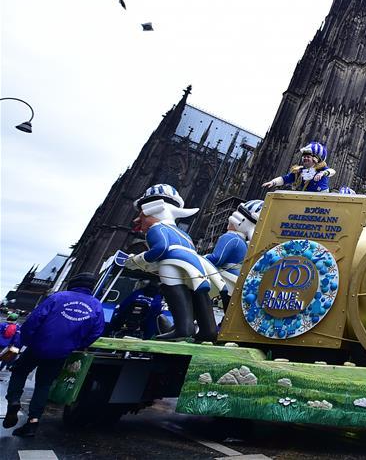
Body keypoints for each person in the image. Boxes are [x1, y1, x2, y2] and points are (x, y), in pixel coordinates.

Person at [3, 272, 104, 437]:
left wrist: (24, 341)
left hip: (37, 346)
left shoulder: (58, 297)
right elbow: (96, 331)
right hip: (61, 352)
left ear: (73, 283)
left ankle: (14, 400)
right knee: (44, 385)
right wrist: (77, 345)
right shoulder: (96, 305)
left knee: (19, 372)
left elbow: (34, 320)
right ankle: (33, 423)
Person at [125, 184, 224, 342]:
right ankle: (208, 329)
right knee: (197, 292)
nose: (138, 220)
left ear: (153, 210)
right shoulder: (183, 234)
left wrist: (139, 259)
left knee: (174, 290)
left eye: (141, 215)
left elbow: (162, 247)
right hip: (195, 265)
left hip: (172, 265)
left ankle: (183, 328)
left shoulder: (157, 228)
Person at [204, 199, 264, 311]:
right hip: (237, 279)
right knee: (228, 309)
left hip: (225, 278)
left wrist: (202, 258)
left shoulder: (230, 237)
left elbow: (217, 259)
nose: (228, 222)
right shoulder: (244, 243)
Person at [262, 141, 334, 191]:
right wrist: (273, 182)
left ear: (316, 159)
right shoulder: (299, 171)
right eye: (304, 156)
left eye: (308, 156)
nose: (305, 158)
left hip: (320, 201)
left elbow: (332, 171)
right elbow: (285, 179)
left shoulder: (321, 169)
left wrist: (323, 173)